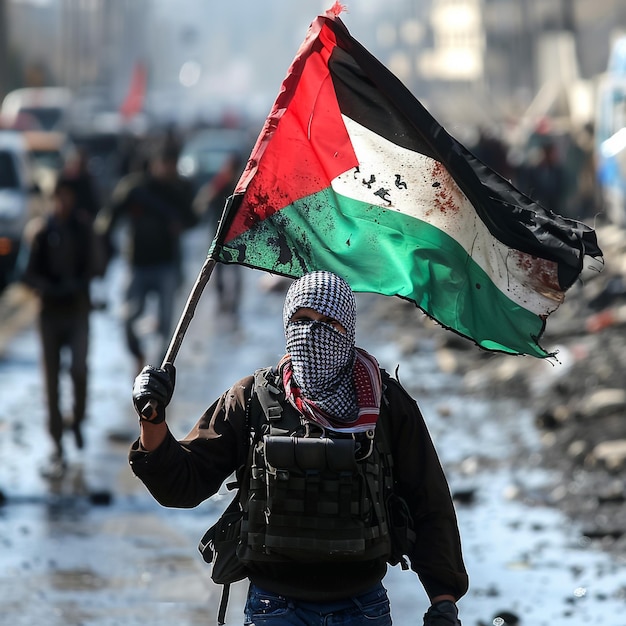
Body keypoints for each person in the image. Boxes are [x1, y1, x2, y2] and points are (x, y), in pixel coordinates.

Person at [129, 271, 468, 625]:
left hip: (361, 607)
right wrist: (152, 418)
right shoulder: (253, 398)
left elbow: (428, 502)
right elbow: (184, 483)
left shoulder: (385, 403)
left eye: (328, 323)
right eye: (302, 320)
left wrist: (443, 599)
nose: (312, 332)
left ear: (348, 329)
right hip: (273, 607)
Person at [95, 138, 197, 372]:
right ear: (154, 163)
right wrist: (100, 244)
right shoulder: (135, 188)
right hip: (137, 264)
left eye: (172, 164)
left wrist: (180, 224)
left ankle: (156, 373)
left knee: (166, 327)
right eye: (164, 163)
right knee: (129, 318)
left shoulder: (177, 190)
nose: (168, 169)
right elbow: (109, 217)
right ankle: (138, 354)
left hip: (167, 265)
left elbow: (192, 218)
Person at [22, 177, 96, 478]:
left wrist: (79, 283)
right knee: (51, 382)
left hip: (77, 311)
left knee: (79, 369)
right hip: (50, 315)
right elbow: (26, 275)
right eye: (59, 197)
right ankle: (56, 442)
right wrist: (48, 287)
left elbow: (97, 264)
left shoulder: (82, 229)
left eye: (67, 196)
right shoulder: (41, 232)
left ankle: (76, 419)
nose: (63, 203)